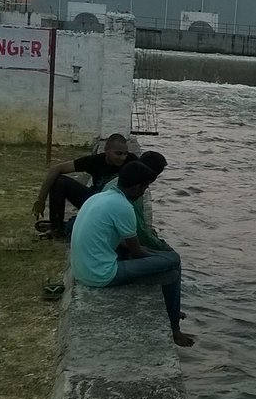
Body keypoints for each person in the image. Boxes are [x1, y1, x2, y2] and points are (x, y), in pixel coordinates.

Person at [71, 160, 195, 347]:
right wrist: (161, 257)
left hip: (82, 270)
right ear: (137, 187)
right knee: (174, 260)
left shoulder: (99, 197)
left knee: (171, 274)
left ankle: (173, 313)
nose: (144, 193)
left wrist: (155, 258)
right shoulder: (124, 207)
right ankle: (174, 328)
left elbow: (123, 242)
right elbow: (137, 252)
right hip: (101, 274)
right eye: (145, 188)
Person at [33, 133, 137, 238]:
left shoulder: (132, 161)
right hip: (95, 202)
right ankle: (56, 227)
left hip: (116, 207)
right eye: (118, 154)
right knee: (59, 181)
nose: (123, 158)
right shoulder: (95, 161)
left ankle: (65, 226)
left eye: (125, 154)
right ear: (106, 150)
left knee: (79, 229)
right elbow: (56, 169)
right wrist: (41, 200)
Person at [102, 150, 173, 252]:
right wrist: (163, 248)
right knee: (171, 258)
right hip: (111, 247)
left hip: (104, 240)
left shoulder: (118, 182)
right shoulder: (133, 194)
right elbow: (140, 232)